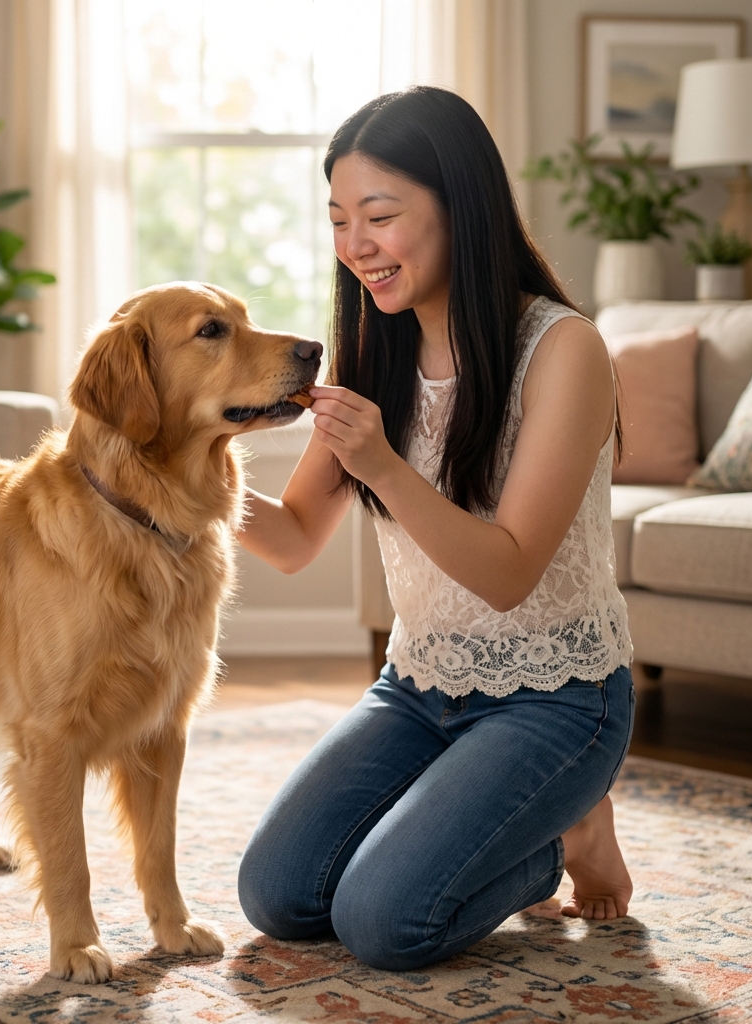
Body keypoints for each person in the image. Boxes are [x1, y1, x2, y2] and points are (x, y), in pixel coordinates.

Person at [235, 86, 636, 972]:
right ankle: (490, 816)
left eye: (380, 216)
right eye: (339, 220)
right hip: (422, 686)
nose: (355, 247)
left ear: (462, 205)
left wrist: (383, 464)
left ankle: (559, 839)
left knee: (384, 923)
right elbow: (297, 536)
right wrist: (182, 476)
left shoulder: (565, 351)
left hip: (560, 696)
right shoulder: (375, 348)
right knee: (280, 894)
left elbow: (509, 572)